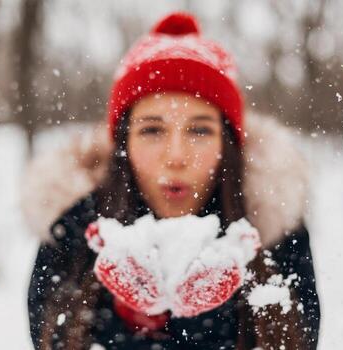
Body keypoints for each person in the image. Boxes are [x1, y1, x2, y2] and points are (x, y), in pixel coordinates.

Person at [21, 12, 320, 350]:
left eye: (199, 130)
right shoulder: (72, 237)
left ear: (227, 145)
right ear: (124, 144)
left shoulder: (275, 237)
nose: (176, 156)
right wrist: (130, 323)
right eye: (152, 130)